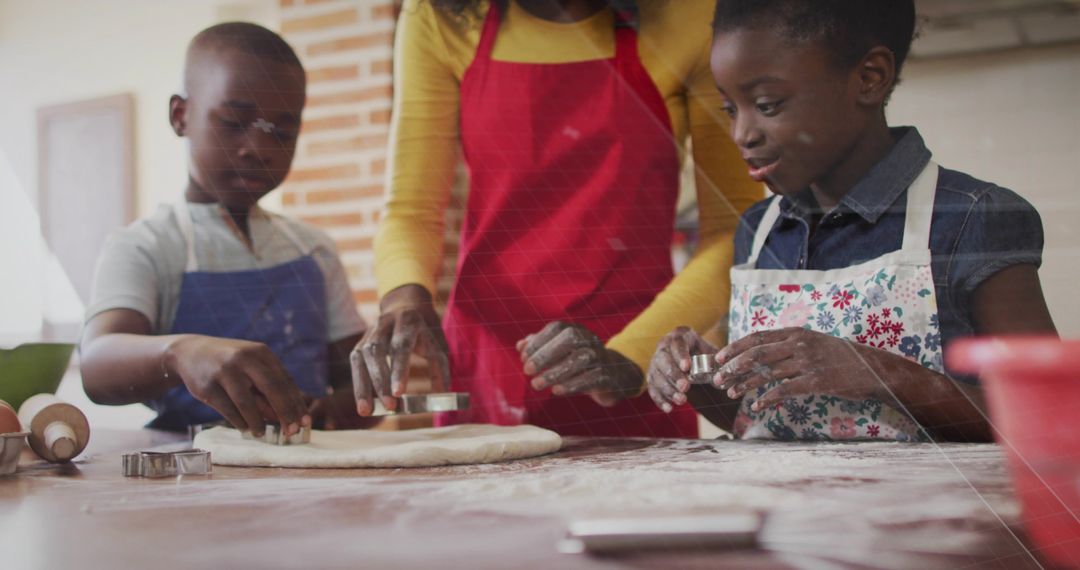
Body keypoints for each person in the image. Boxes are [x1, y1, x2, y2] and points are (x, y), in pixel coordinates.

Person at [647, 0, 1057, 442]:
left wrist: (881, 372)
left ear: (869, 78)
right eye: (731, 109)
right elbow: (763, 421)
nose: (742, 134)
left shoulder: (972, 218)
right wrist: (700, 379)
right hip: (781, 509)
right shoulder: (759, 229)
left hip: (922, 511)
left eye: (767, 104)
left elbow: (1050, 415)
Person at [352, 0, 762, 437]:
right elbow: (412, 209)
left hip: (636, 361)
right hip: (488, 364)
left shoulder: (691, 17)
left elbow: (734, 233)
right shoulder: (442, 17)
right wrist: (403, 295)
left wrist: (629, 358)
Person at [80, 23, 372, 435]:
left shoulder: (313, 251)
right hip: (188, 478)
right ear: (180, 116)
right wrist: (181, 352)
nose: (258, 148)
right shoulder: (145, 247)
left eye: (282, 132)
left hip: (310, 477)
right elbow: (96, 365)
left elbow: (358, 384)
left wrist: (350, 401)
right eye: (235, 122)